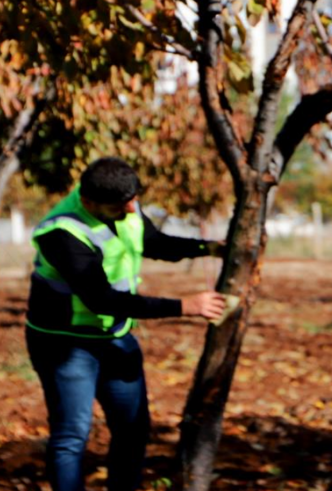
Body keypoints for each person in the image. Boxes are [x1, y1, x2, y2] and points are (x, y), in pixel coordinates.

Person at [25, 157, 227, 491]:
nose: (132, 210)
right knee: (72, 435)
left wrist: (209, 247)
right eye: (122, 205)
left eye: (133, 201)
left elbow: (155, 243)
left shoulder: (123, 201)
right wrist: (184, 306)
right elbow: (102, 300)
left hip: (115, 335)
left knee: (133, 429)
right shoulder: (62, 232)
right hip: (65, 344)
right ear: (89, 202)